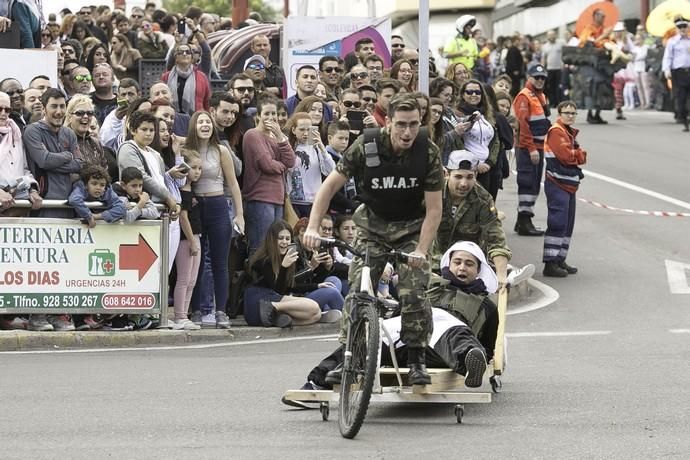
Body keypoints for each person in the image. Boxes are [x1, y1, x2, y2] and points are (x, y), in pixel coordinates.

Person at [303, 94, 445, 385]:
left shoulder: (427, 152)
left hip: (411, 229)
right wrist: (313, 227)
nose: (407, 132)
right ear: (389, 122)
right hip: (372, 228)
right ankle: (351, 355)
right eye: (401, 125)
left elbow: (434, 210)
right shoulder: (367, 145)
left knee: (413, 290)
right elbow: (328, 188)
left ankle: (417, 357)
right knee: (358, 291)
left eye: (414, 125)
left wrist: (421, 250)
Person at [297, 240, 494, 395]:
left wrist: (482, 354)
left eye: (469, 264)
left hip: (440, 351)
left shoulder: (485, 304)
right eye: (457, 262)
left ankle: (471, 363)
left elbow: (489, 345)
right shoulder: (429, 284)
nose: (462, 268)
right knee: (372, 337)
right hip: (407, 343)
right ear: (448, 264)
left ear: (478, 270)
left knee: (453, 329)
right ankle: (318, 380)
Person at [185, 111, 244, 329]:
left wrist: (239, 214)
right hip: (196, 207)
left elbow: (234, 184)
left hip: (218, 204)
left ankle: (221, 311)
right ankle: (197, 310)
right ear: (194, 126)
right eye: (200, 122)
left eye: (208, 122)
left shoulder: (221, 151)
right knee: (196, 262)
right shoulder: (186, 151)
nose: (205, 125)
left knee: (220, 262)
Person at [434, 149, 511, 285]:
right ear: (447, 174)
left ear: (476, 175)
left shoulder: (483, 199)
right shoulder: (432, 194)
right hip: (433, 265)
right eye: (458, 177)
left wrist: (501, 276)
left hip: (466, 270)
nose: (464, 184)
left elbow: (496, 239)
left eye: (470, 177)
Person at [242, 96, 296, 255]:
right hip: (260, 198)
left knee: (275, 247)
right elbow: (267, 164)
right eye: (267, 114)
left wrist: (280, 136)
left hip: (278, 198)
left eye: (274, 114)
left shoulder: (277, 138)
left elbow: (291, 161)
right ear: (258, 116)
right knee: (260, 245)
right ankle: (254, 278)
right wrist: (282, 165)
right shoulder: (252, 135)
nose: (271, 118)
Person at [245, 220, 322, 328]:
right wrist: (284, 267)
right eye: (280, 238)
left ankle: (279, 318)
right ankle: (273, 307)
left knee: (316, 315)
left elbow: (288, 287)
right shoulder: (264, 260)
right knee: (313, 306)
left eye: (287, 238)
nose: (285, 242)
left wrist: (316, 286)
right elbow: (278, 290)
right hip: (257, 304)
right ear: (272, 240)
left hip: (269, 306)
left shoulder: (286, 258)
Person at [542, 101, 587, 277]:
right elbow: (567, 156)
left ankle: (560, 258)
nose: (570, 115)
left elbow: (571, 154)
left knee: (567, 224)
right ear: (559, 113)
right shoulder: (557, 131)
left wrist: (577, 154)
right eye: (567, 112)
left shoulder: (568, 132)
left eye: (573, 113)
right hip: (557, 183)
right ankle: (550, 262)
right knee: (557, 223)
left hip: (568, 184)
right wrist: (581, 155)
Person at [513, 64, 551, 236]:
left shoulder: (540, 96)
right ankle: (524, 221)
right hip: (529, 148)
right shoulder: (524, 96)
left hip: (538, 145)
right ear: (529, 77)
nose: (540, 80)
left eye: (543, 77)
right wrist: (531, 149)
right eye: (537, 77)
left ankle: (522, 219)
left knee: (534, 184)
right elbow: (523, 126)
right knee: (528, 184)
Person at [285, 112, 336, 218]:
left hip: (314, 202)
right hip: (293, 202)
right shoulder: (287, 147)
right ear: (294, 130)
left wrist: (322, 148)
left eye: (309, 129)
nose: (306, 133)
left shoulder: (316, 148)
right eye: (302, 129)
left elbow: (331, 170)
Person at [173, 151, 203, 330]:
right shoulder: (183, 192)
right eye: (193, 168)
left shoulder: (191, 189)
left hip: (196, 236)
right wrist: (191, 240)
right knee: (184, 278)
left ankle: (184, 313)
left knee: (192, 279)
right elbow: (183, 218)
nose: (197, 172)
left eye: (200, 168)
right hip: (187, 238)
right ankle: (179, 315)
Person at [68, 164, 126, 228]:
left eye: (102, 185)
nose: (98, 188)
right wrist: (89, 216)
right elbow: (74, 199)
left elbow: (121, 207)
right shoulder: (81, 187)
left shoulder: (107, 190)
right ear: (86, 184)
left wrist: (97, 216)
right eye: (94, 183)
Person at [161, 44, 211, 115]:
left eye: (187, 52)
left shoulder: (201, 77)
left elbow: (207, 102)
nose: (184, 54)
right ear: (176, 57)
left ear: (191, 57)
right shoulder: (166, 76)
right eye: (181, 52)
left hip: (195, 118)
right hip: (172, 118)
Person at [662, 17, 690, 132]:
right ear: (676, 28)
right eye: (680, 27)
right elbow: (668, 56)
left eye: (684, 26)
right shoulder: (672, 41)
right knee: (681, 96)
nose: (682, 29)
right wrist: (666, 70)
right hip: (678, 72)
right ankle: (683, 118)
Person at [541, 30, 564, 108]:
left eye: (552, 35)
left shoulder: (560, 44)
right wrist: (542, 68)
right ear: (547, 36)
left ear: (555, 35)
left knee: (559, 86)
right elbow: (543, 58)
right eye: (549, 35)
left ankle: (559, 102)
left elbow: (564, 54)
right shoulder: (545, 46)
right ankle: (552, 102)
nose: (551, 36)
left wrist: (564, 63)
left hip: (559, 69)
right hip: (549, 69)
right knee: (550, 87)